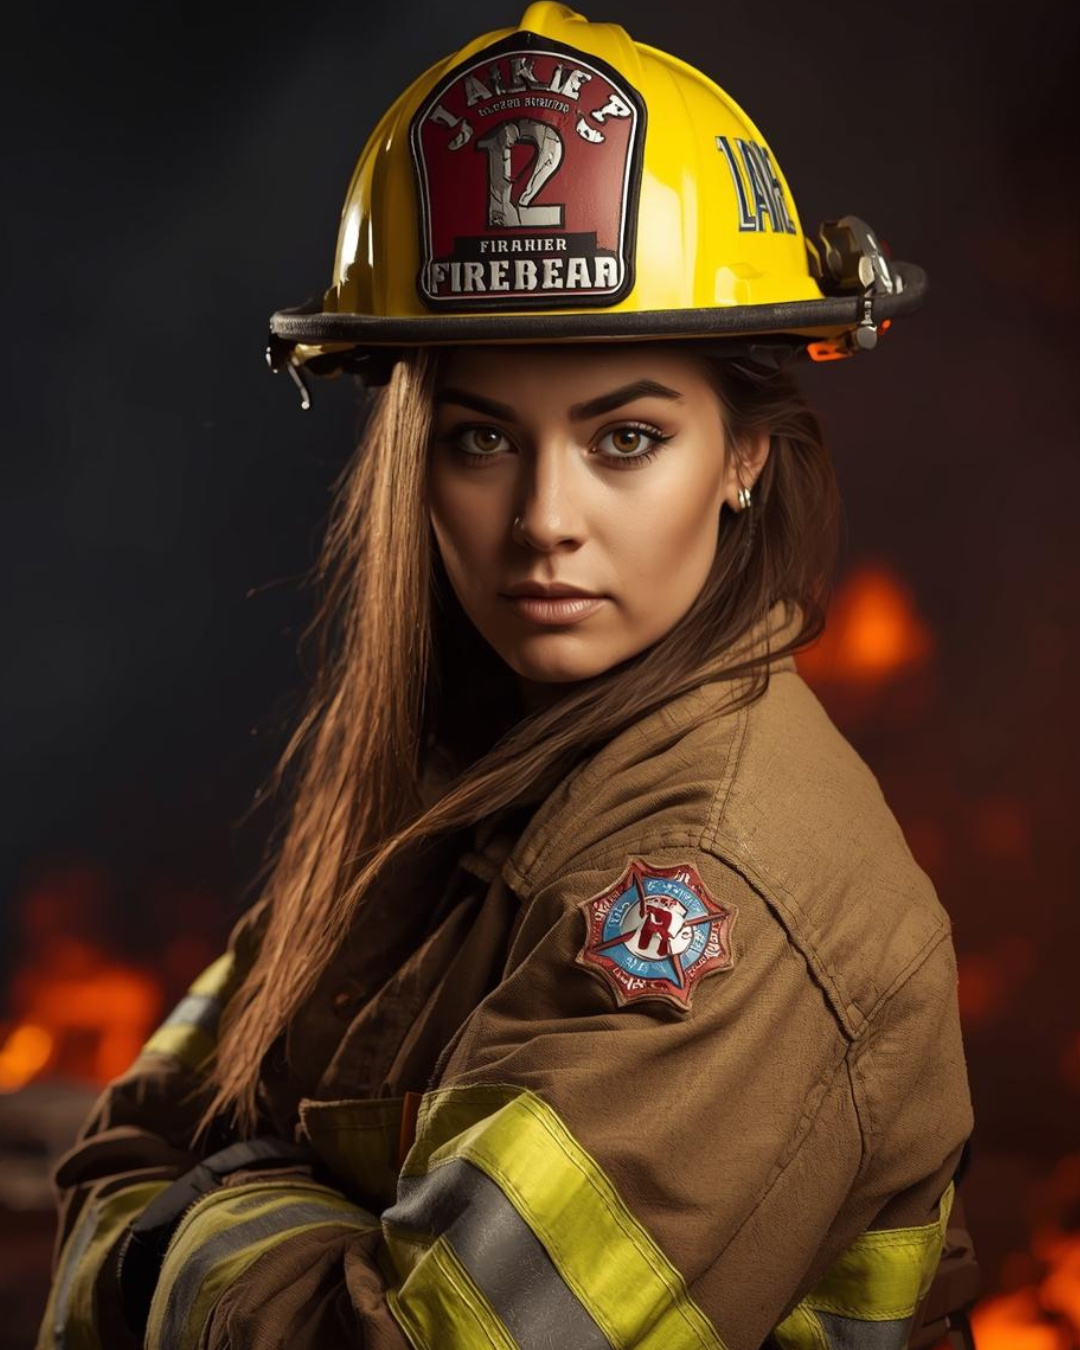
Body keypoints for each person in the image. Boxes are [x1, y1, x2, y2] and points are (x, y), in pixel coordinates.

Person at [36, 4, 979, 1349]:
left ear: (745, 458)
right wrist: (251, 1235)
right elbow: (111, 1167)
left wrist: (182, 1239)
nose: (543, 516)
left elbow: (161, 1232)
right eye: (481, 437)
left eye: (626, 436)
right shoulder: (450, 783)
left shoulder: (714, 892)